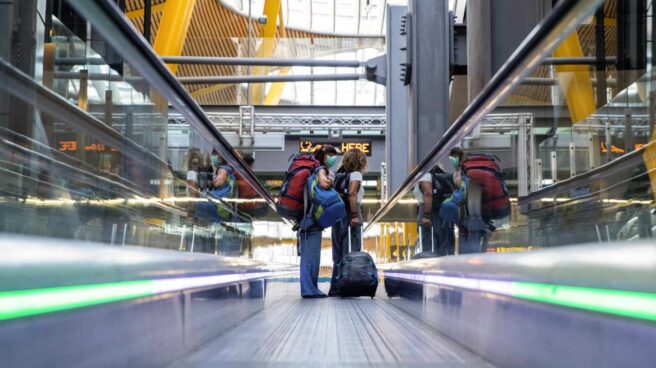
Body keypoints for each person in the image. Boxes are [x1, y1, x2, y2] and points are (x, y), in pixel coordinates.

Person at [298, 144, 338, 298]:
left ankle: (311, 288)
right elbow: (324, 183)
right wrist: (331, 177)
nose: (334, 158)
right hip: (310, 219)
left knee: (312, 256)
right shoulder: (320, 170)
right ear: (324, 156)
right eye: (331, 155)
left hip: (308, 218)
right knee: (310, 257)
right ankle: (309, 290)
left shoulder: (315, 170)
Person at [328, 148, 367, 296]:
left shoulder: (337, 176)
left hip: (337, 215)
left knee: (338, 254)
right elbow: (352, 193)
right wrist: (355, 215)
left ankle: (335, 288)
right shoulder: (356, 174)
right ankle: (348, 287)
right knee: (351, 252)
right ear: (361, 161)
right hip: (351, 214)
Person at [413, 163, 455, 256]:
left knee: (428, 243)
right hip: (443, 213)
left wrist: (426, 215)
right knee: (443, 243)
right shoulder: (441, 176)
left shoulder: (425, 175)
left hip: (429, 211)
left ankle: (431, 266)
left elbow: (428, 193)